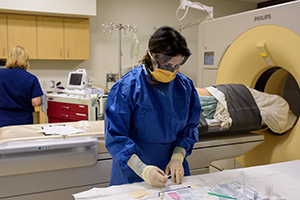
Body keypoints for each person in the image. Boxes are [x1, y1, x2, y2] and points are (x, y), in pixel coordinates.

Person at [105, 26, 201, 187]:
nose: (172, 71)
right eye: (168, 65)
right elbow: (115, 135)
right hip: (133, 171)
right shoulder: (127, 87)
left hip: (172, 169)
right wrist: (142, 169)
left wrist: (178, 156)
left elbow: (190, 127)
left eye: (177, 66)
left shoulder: (185, 87)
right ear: (152, 57)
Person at [0, 45, 43, 128]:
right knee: (22, 140)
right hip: (23, 121)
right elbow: (36, 102)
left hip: (2, 120)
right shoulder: (31, 78)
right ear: (25, 60)